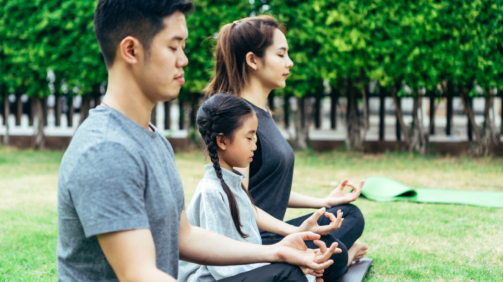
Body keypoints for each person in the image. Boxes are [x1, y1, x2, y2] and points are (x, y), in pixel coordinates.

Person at [57, 1, 337, 282]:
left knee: (290, 270)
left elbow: (185, 237)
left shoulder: (153, 139)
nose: (184, 59)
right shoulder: (106, 151)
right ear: (131, 50)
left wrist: (276, 251)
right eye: (173, 46)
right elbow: (138, 275)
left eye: (183, 47)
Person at [204, 15, 368, 280]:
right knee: (334, 252)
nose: (289, 62)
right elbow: (241, 202)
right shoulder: (239, 121)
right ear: (253, 60)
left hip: (276, 230)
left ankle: (334, 260)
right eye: (281, 55)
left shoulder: (261, 113)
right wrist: (294, 233)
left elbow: (271, 188)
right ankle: (341, 260)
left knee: (349, 214)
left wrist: (324, 201)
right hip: (261, 240)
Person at [179, 94, 346, 282]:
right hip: (217, 278)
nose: (255, 145)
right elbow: (224, 269)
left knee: (322, 256)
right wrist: (287, 263)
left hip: (241, 270)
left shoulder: (233, 185)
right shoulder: (212, 192)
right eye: (249, 138)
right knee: (290, 273)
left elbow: (249, 250)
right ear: (222, 141)